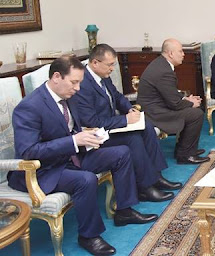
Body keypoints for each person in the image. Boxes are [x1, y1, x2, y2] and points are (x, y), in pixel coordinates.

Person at [8, 56, 158, 256]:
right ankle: (89, 236)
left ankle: (124, 211)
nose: (78, 88)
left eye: (79, 82)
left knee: (121, 152)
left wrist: (89, 137)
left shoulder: (68, 96)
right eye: (74, 82)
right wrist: (73, 141)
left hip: (72, 156)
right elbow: (28, 151)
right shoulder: (30, 106)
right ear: (56, 77)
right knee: (85, 180)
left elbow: (72, 129)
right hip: (45, 169)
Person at [70, 44, 182, 203]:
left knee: (147, 126)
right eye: (109, 65)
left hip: (110, 126)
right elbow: (91, 121)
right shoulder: (82, 84)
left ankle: (156, 177)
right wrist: (124, 120)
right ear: (95, 63)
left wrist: (129, 110)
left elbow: (117, 96)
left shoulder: (103, 76)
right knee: (133, 139)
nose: (112, 69)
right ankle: (145, 187)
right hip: (96, 134)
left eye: (113, 65)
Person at [137, 39, 209, 165]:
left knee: (193, 110)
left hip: (156, 107)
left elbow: (169, 93)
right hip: (155, 113)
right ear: (170, 53)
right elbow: (174, 104)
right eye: (180, 51)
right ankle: (185, 155)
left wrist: (186, 99)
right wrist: (191, 103)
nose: (183, 54)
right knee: (196, 113)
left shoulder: (161, 64)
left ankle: (183, 149)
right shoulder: (164, 71)